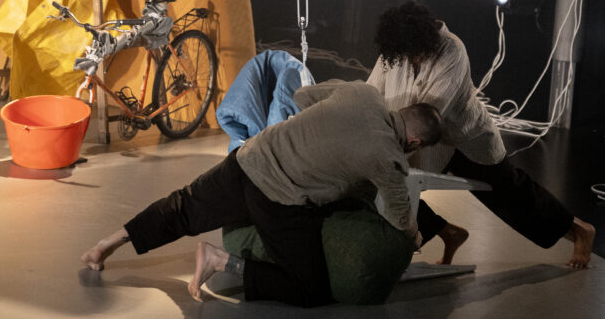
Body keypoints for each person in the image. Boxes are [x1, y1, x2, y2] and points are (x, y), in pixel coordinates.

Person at [82, 80, 442, 306]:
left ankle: (105, 244)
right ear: (414, 142)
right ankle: (220, 261)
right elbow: (400, 215)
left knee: (184, 205)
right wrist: (414, 235)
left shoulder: (363, 93)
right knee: (310, 290)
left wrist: (319, 131)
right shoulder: (388, 156)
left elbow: (302, 95)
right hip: (277, 199)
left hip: (250, 157)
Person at [367, 1, 596, 269]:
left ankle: (579, 229)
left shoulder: (452, 50)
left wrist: (388, 143)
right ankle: (447, 232)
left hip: (465, 140)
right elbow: (371, 92)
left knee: (511, 194)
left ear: (423, 42)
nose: (410, 60)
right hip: (421, 142)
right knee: (387, 184)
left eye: (413, 55)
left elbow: (429, 114)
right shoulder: (397, 50)